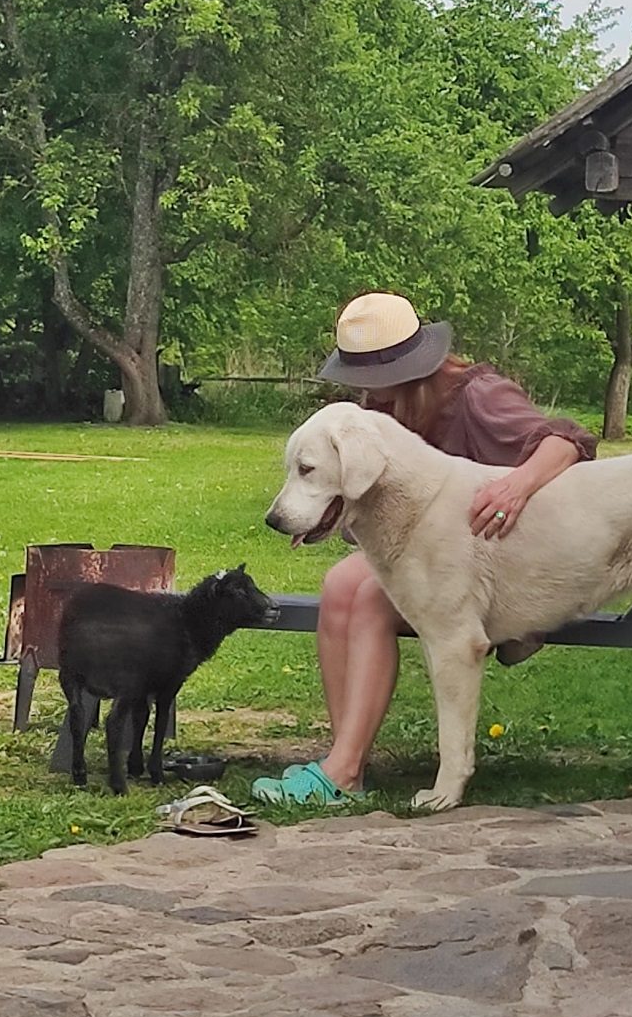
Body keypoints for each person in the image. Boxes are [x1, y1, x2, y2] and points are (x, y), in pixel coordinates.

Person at [251, 292, 597, 805]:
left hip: (498, 576)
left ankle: (343, 771)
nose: (359, 387)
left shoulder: (477, 395)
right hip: (431, 567)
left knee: (367, 596)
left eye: (367, 375)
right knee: (339, 585)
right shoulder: (381, 408)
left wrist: (516, 486)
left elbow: (569, 441)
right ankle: (345, 759)